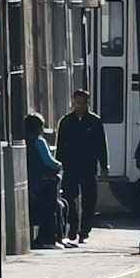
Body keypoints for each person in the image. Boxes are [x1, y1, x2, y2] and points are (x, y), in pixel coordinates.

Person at [56, 89, 108, 243]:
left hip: (88, 165)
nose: (79, 106)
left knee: (89, 199)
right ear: (73, 102)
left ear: (87, 103)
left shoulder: (94, 121)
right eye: (76, 102)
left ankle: (84, 230)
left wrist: (104, 165)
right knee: (69, 197)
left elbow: (101, 145)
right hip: (71, 165)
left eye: (82, 103)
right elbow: (60, 145)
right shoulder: (66, 121)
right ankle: (73, 227)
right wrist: (59, 164)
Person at [25, 114, 65, 250]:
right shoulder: (39, 142)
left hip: (32, 184)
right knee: (53, 207)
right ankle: (48, 238)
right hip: (43, 183)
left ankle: (52, 238)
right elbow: (49, 162)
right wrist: (60, 164)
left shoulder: (25, 141)